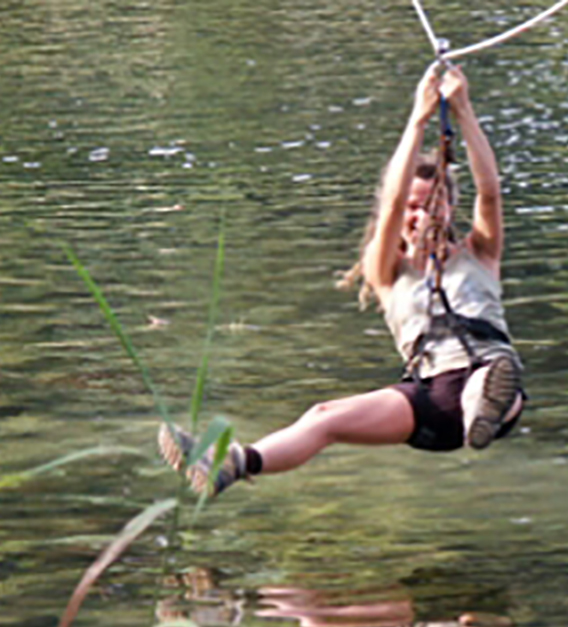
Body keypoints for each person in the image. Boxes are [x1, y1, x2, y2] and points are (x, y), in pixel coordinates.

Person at [159, 63, 524, 496]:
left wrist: (463, 110)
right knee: (324, 416)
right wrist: (418, 118)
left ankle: (484, 407)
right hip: (430, 395)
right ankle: (231, 464)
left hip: (489, 371)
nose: (422, 214)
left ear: (450, 207)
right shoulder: (386, 269)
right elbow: (390, 206)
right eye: (413, 206)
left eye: (433, 204)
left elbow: (490, 191)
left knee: (487, 379)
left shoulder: (480, 252)